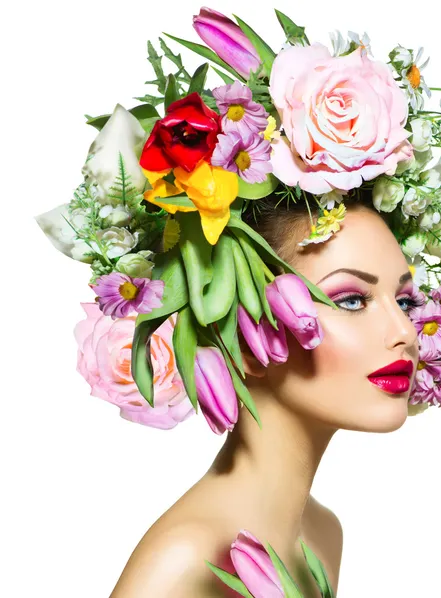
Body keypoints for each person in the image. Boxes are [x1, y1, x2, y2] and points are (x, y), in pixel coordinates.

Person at [109, 194, 420, 597]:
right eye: (352, 300)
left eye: (405, 301)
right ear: (245, 336)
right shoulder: (182, 562)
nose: (406, 332)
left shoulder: (323, 533)